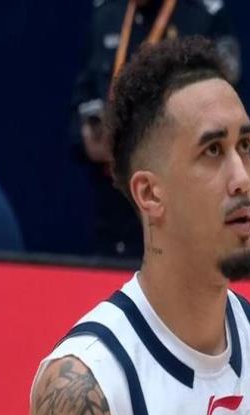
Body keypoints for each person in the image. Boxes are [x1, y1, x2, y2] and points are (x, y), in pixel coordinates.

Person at [28, 37, 250, 415]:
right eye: (213, 151)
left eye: (244, 146)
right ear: (150, 194)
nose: (242, 178)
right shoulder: (88, 384)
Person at [71, 0, 241, 257]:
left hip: (176, 215)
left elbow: (222, 119)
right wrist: (88, 136)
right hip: (112, 214)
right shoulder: (107, 14)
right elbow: (80, 102)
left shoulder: (203, 17)